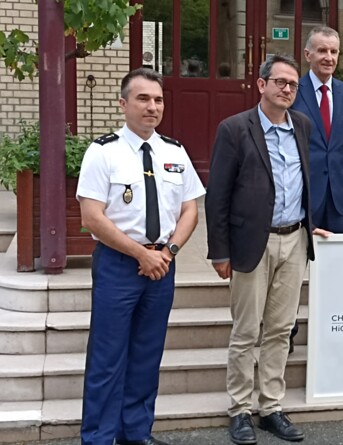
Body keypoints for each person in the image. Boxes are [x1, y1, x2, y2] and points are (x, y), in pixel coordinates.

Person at [205, 54, 330, 445]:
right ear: (261, 85)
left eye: (292, 84)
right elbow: (218, 196)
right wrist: (219, 251)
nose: (287, 89)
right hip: (250, 243)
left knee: (280, 329)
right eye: (279, 82)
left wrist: (311, 225)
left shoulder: (304, 127)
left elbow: (306, 182)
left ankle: (271, 406)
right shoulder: (234, 129)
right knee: (246, 331)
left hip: (295, 240)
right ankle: (240, 409)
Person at [77, 68, 205, 445]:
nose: (152, 107)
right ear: (123, 104)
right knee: (107, 358)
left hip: (162, 266)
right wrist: (140, 254)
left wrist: (168, 252)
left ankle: (135, 432)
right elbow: (91, 217)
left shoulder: (175, 151)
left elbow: (191, 210)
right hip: (120, 265)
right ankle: (99, 437)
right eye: (143, 99)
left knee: (147, 356)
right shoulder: (104, 152)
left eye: (158, 99)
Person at [291, 26, 343, 233]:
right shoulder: (293, 92)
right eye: (322, 50)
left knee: (341, 259)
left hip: (339, 196)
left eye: (334, 51)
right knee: (299, 260)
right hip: (304, 194)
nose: (328, 57)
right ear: (308, 55)